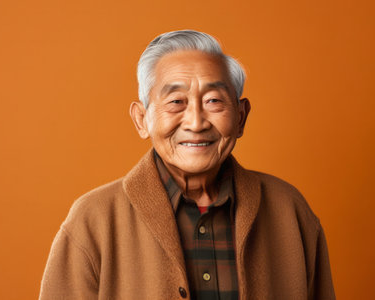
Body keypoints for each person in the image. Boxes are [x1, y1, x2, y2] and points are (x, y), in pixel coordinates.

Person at [39, 30, 336, 300]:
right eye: (176, 102)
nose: (196, 122)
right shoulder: (93, 220)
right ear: (142, 119)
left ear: (241, 117)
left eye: (214, 101)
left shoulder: (289, 210)